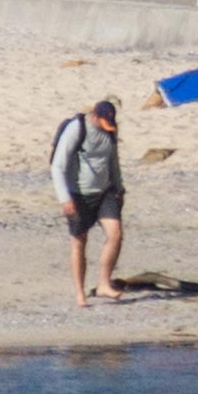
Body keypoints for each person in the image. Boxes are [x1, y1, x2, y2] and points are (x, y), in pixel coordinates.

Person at [52, 99, 124, 307]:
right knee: (79, 242)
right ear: (95, 116)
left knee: (116, 234)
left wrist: (119, 188)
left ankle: (103, 283)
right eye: (103, 123)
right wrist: (64, 198)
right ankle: (80, 294)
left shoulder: (110, 130)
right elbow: (58, 166)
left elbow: (113, 160)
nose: (107, 127)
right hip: (79, 194)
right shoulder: (77, 129)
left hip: (106, 191)